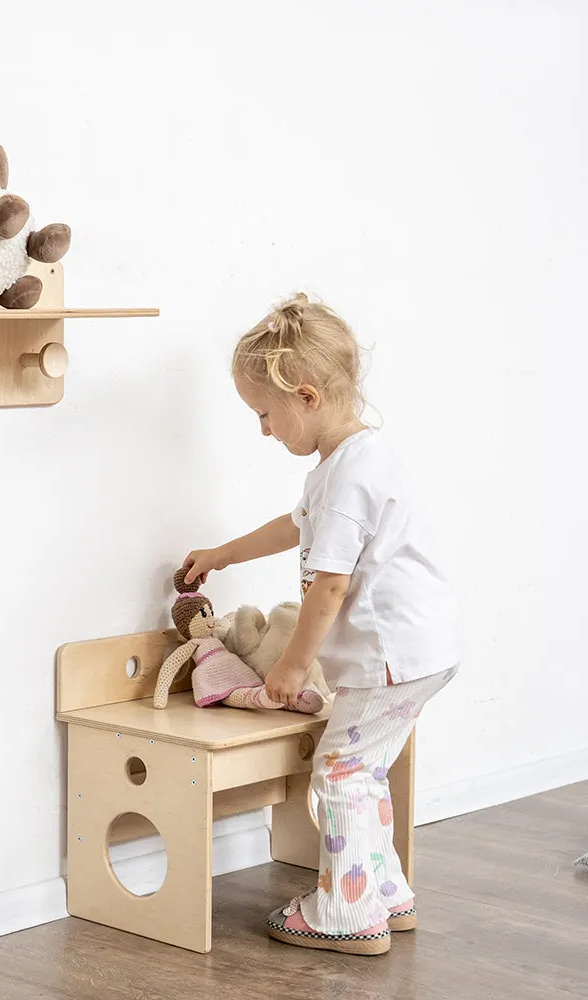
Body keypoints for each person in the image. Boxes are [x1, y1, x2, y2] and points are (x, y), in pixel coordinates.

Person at [183, 293, 460, 956]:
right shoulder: (353, 461)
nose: (264, 431)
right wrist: (223, 553)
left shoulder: (346, 481)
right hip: (424, 648)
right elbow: (294, 525)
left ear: (305, 396)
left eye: (265, 415)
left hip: (389, 655)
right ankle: (383, 893)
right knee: (362, 771)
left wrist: (292, 666)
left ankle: (344, 911)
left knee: (338, 772)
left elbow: (329, 588)